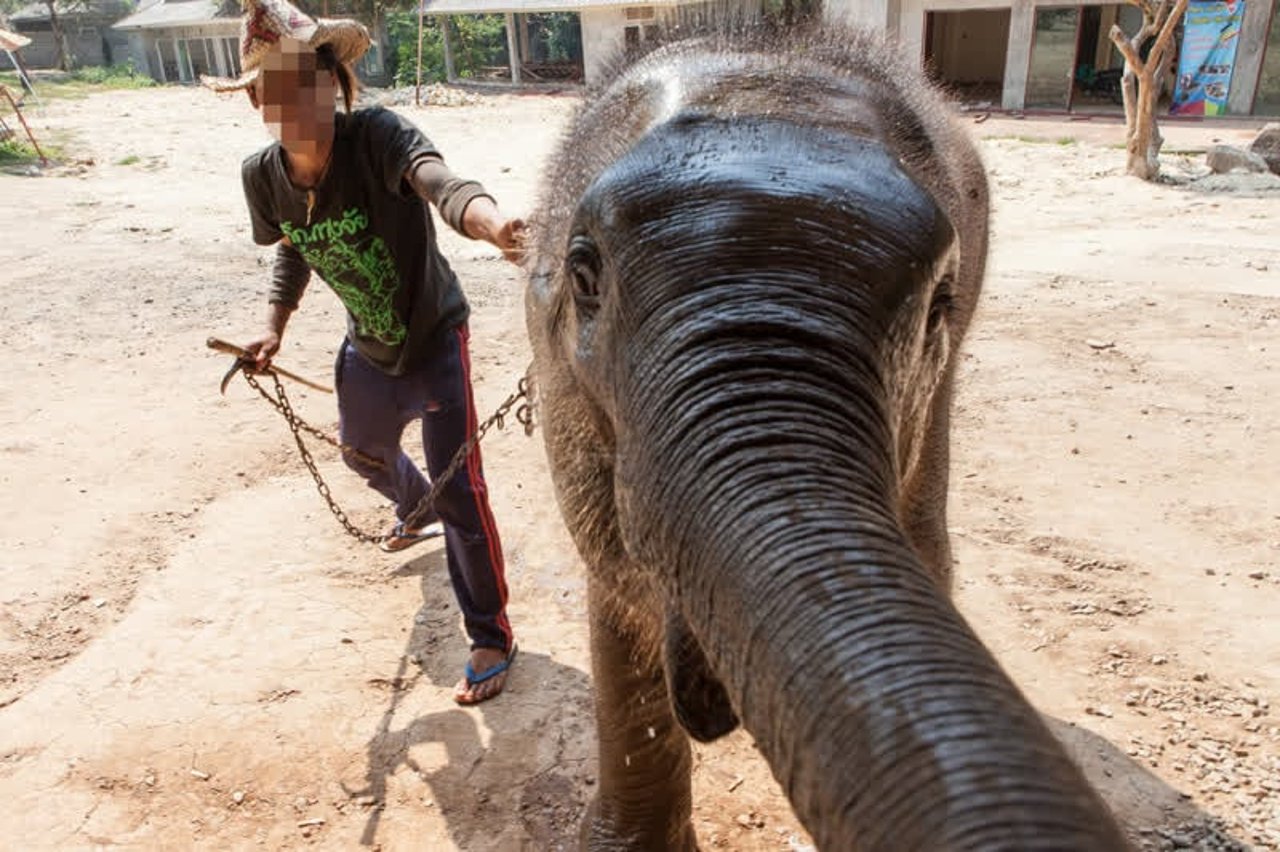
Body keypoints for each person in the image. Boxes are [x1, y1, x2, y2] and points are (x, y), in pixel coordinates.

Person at [203, 0, 522, 705]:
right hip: (366, 349)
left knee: (460, 494)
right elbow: (293, 248)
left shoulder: (377, 137)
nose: (296, 100)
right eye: (276, 87)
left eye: (308, 78)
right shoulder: (264, 178)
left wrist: (489, 221)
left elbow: (438, 180)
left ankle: (490, 633)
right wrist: (273, 327)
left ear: (332, 79)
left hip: (434, 341)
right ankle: (417, 508)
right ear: (256, 99)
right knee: (359, 452)